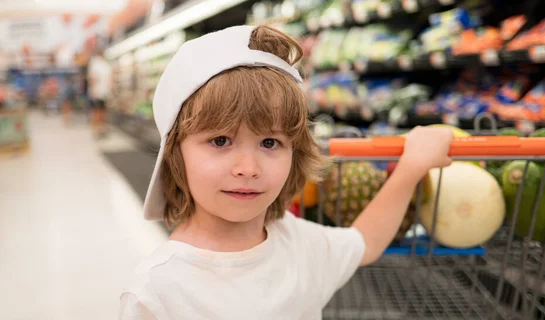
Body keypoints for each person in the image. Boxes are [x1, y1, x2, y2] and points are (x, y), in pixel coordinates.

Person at [119, 25, 453, 319]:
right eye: (220, 140)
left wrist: (411, 167)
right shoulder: (158, 290)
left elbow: (363, 243)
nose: (248, 169)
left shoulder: (296, 241)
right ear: (175, 153)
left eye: (269, 142)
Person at [87, 50, 112, 136]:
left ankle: (97, 129)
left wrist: (94, 91)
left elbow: (93, 79)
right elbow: (109, 80)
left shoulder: (95, 64)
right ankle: (100, 129)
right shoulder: (106, 65)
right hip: (103, 92)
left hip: (98, 92)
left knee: (97, 111)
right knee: (101, 111)